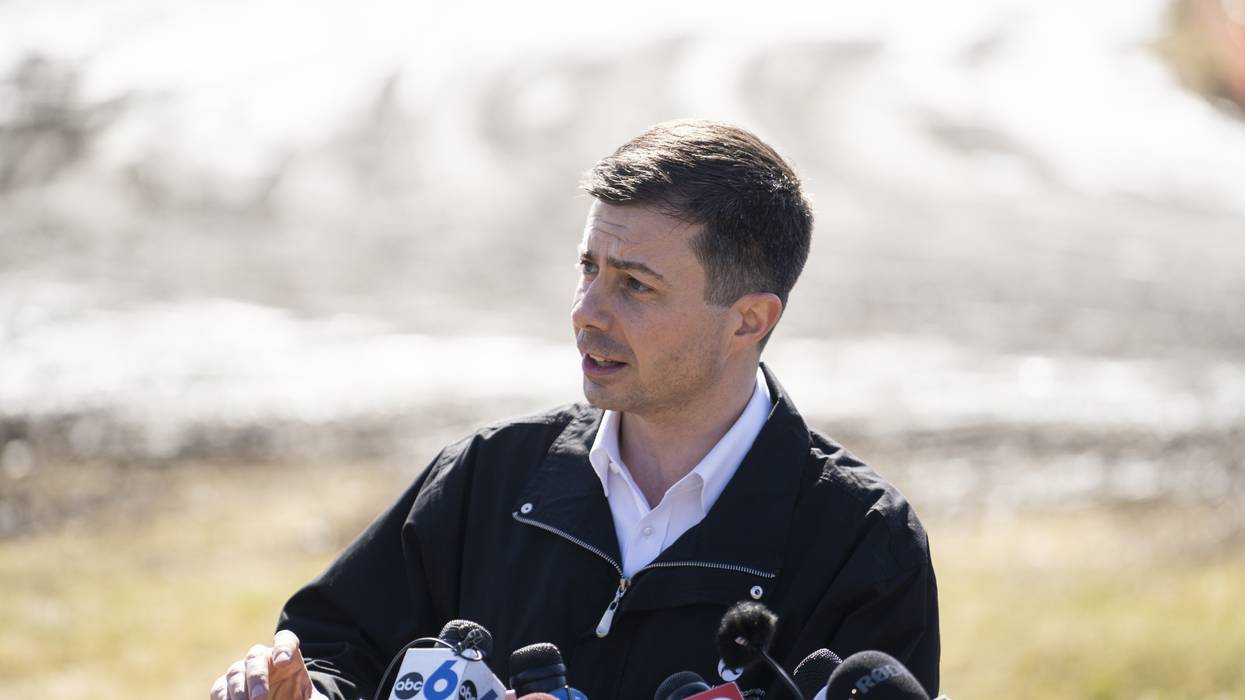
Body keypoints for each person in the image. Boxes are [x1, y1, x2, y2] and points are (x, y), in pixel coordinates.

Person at [209, 120, 939, 700]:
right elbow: (339, 651)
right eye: (588, 268)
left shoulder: (863, 542)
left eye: (635, 285)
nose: (586, 312)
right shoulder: (486, 476)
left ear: (748, 320)